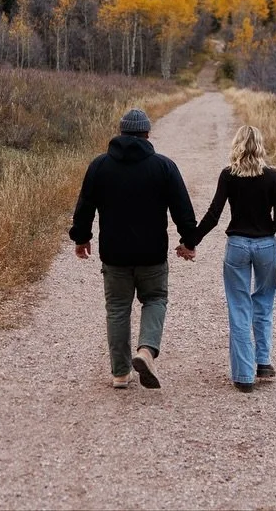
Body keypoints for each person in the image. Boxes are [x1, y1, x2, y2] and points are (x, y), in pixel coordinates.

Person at [69, 107, 199, 389]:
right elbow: (183, 211)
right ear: (147, 134)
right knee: (154, 300)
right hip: (152, 255)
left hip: (114, 255)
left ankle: (119, 373)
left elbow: (85, 207)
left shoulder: (100, 166)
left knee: (117, 308)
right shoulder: (163, 167)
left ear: (120, 133)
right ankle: (146, 351)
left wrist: (81, 238)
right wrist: (188, 241)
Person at [190, 125, 276, 393]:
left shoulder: (229, 175)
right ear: (260, 146)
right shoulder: (273, 177)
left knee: (239, 308)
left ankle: (244, 375)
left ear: (237, 145)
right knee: (264, 302)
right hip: (265, 247)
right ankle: (263, 361)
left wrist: (191, 241)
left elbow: (214, 214)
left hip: (237, 245)